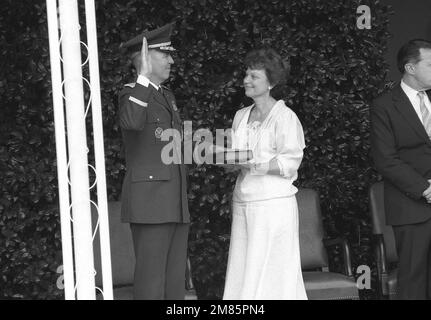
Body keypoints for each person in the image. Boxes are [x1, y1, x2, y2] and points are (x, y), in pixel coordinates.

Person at [222, 48, 308, 300]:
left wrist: (253, 163)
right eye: (246, 74)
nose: (246, 80)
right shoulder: (240, 116)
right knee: (242, 270)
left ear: (271, 82)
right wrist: (223, 159)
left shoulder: (286, 117)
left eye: (254, 76)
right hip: (243, 202)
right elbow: (237, 158)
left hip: (274, 206)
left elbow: (290, 163)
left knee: (274, 274)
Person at [118, 23, 190, 299]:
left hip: (174, 201)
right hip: (150, 203)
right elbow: (132, 121)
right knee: (151, 284)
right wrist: (144, 78)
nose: (172, 60)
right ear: (146, 58)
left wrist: (223, 152)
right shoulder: (132, 93)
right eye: (165, 54)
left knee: (174, 284)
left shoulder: (165, 96)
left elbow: (176, 145)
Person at [371, 39, 431, 299]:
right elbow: (386, 159)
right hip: (411, 206)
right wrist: (425, 189)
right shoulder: (384, 105)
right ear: (410, 68)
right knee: (414, 279)